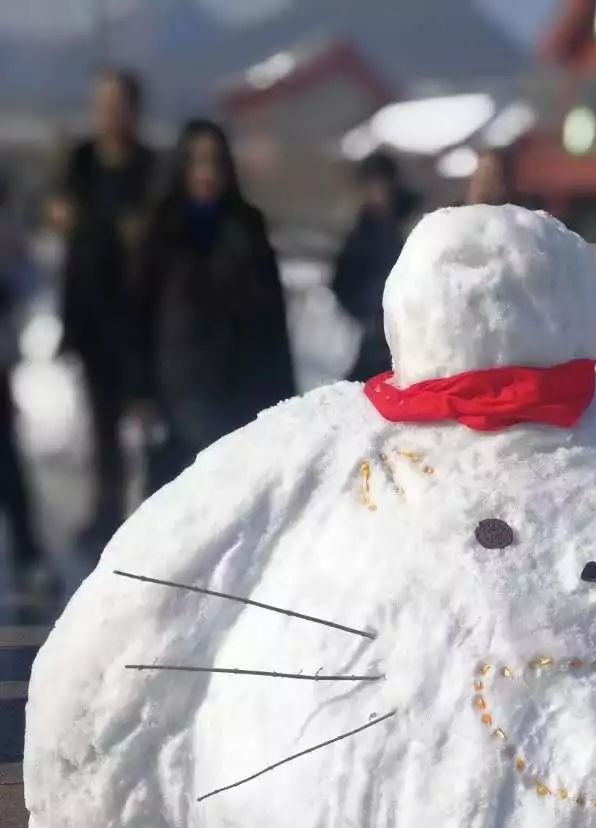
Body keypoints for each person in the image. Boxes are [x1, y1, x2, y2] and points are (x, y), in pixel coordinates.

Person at [134, 120, 295, 481]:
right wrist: (139, 390)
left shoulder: (247, 227)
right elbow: (139, 314)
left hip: (239, 384)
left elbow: (271, 317)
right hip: (175, 386)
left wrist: (283, 396)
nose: (206, 173)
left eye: (215, 163)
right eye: (197, 162)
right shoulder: (162, 228)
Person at [52, 69, 156, 545]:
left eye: (117, 102)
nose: (108, 112)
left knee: (148, 427)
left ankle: (153, 519)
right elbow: (59, 215)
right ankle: (107, 515)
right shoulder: (80, 162)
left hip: (139, 318)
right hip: (91, 315)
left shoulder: (149, 168)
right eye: (101, 102)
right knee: (102, 429)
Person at [331, 151, 418, 384]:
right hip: (373, 331)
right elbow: (342, 281)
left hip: (413, 326)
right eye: (371, 184)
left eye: (381, 183)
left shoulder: (413, 222)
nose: (377, 191)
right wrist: (366, 314)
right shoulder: (361, 231)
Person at [0, 174, 44, 579]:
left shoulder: (7, 221)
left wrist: (8, 289)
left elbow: (29, 276)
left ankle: (27, 550)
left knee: (7, 457)